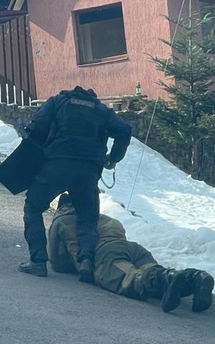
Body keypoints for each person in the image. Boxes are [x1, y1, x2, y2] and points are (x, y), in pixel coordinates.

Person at [17, 86, 132, 284]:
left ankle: (37, 261)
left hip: (55, 166)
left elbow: (37, 128)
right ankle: (86, 262)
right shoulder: (100, 109)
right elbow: (124, 130)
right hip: (87, 172)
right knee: (87, 218)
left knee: (33, 207)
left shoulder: (57, 101)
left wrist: (31, 143)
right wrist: (113, 158)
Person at [48, 194, 215, 313]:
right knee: (154, 275)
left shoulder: (61, 221)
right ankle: (195, 278)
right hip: (133, 248)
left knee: (133, 281)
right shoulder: (103, 217)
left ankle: (168, 277)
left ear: (61, 207)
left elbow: (57, 262)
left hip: (107, 254)